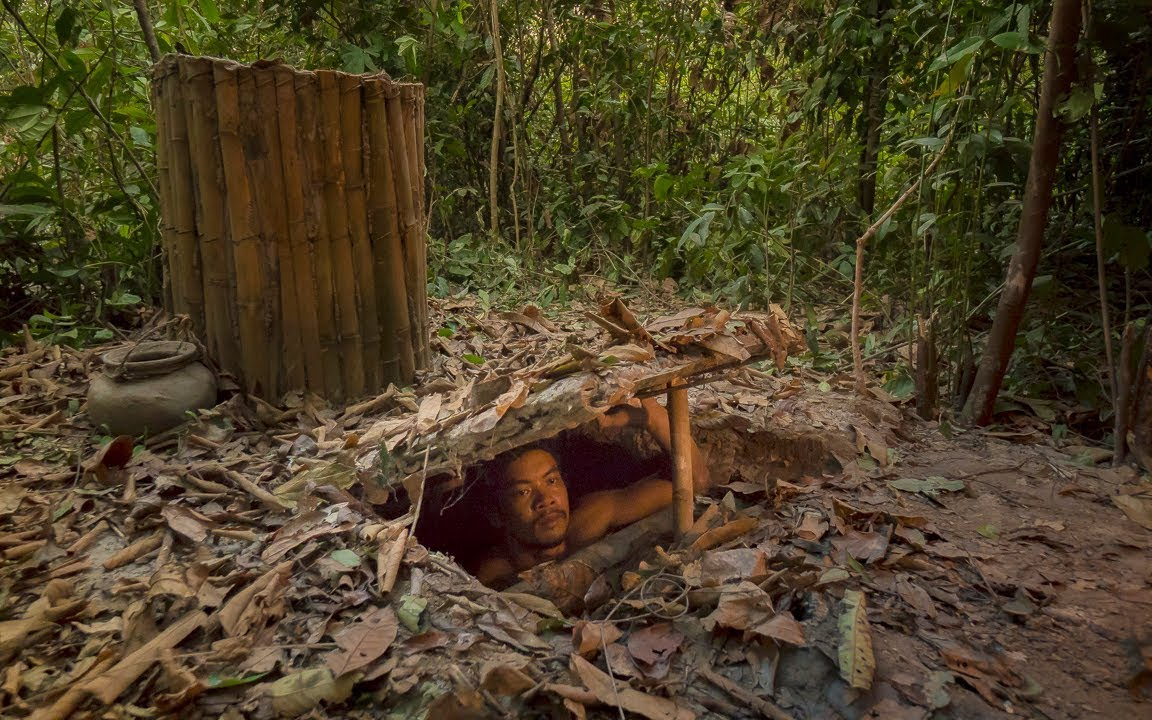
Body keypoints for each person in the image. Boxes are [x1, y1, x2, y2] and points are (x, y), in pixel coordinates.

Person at [474, 397, 708, 588]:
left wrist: (654, 419)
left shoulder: (589, 521)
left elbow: (692, 482)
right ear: (495, 513)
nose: (545, 500)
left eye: (552, 480)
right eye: (523, 492)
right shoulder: (496, 574)